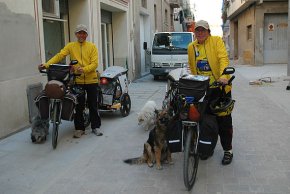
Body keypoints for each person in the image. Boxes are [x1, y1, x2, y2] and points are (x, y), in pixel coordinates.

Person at [38, 24, 102, 138]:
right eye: (79, 33)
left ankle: (95, 127)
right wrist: (46, 64)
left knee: (93, 104)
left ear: (86, 35)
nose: (81, 35)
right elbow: (59, 55)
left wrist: (84, 69)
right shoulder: (71, 46)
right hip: (77, 80)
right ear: (76, 34)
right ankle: (79, 128)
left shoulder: (92, 47)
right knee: (78, 106)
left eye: (83, 33)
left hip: (91, 80)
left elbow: (95, 63)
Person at [187, 20, 234, 165]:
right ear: (195, 32)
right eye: (198, 30)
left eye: (203, 30)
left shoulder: (216, 41)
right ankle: (208, 147)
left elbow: (223, 59)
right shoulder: (191, 47)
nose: (200, 33)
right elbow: (191, 66)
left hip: (220, 88)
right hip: (203, 90)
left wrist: (224, 77)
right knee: (205, 121)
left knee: (223, 122)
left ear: (208, 32)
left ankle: (228, 150)